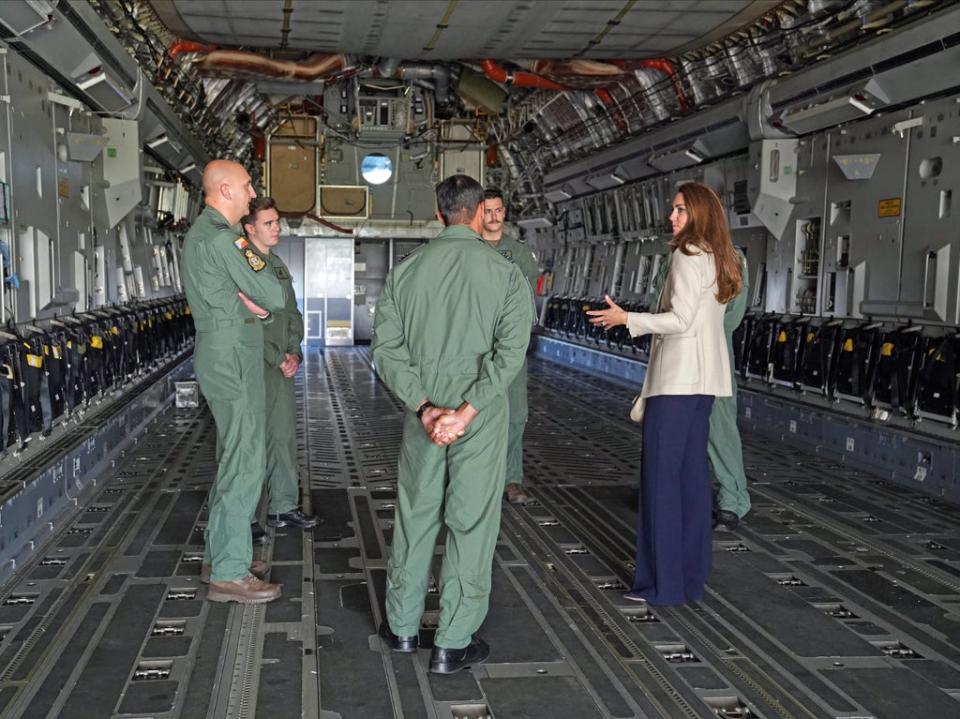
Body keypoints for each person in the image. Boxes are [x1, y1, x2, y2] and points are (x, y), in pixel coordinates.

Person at [372, 175, 533, 674]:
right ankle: (452, 642)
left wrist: (425, 409)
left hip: (423, 414)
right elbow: (511, 354)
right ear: (479, 212)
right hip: (479, 418)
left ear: (439, 215)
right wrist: (465, 411)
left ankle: (401, 628)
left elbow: (386, 348)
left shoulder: (407, 272)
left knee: (416, 516)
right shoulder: (506, 274)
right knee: (471, 523)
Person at [587, 181, 742, 605]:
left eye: (680, 210)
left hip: (676, 384)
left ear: (700, 215)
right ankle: (689, 581)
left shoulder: (686, 255)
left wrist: (627, 318)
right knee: (692, 483)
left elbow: (681, 321)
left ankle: (660, 585)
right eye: (673, 210)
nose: (672, 217)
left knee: (660, 483)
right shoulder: (720, 257)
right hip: (705, 384)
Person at [182, 160, 287, 604]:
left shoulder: (199, 235)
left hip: (220, 351)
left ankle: (221, 553)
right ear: (224, 189)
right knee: (245, 460)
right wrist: (259, 307)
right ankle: (228, 572)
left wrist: (255, 306)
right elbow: (275, 293)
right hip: (235, 358)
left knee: (232, 456)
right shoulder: (227, 240)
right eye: (246, 186)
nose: (251, 192)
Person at [642, 241, 751, 531]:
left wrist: (702, 336)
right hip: (675, 356)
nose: (673, 218)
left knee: (720, 428)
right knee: (679, 434)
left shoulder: (729, 257)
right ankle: (681, 497)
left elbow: (732, 315)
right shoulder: (675, 255)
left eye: (681, 211)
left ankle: (733, 500)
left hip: (711, 353)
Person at [240, 197, 318, 531]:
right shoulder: (242, 266)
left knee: (283, 436)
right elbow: (247, 320)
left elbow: (291, 315)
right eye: (269, 223)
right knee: (250, 441)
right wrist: (277, 356)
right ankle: (244, 518)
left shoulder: (278, 266)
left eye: (277, 222)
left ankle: (283, 505)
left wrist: (295, 353)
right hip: (255, 364)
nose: (277, 229)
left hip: (282, 364)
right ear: (249, 228)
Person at [481, 187, 539, 505]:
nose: (493, 216)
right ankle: (477, 479)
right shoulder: (470, 248)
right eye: (488, 211)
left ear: (505, 213)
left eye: (498, 210)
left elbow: (528, 296)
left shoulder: (517, 252)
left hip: (510, 347)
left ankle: (511, 480)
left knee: (515, 415)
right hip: (476, 346)